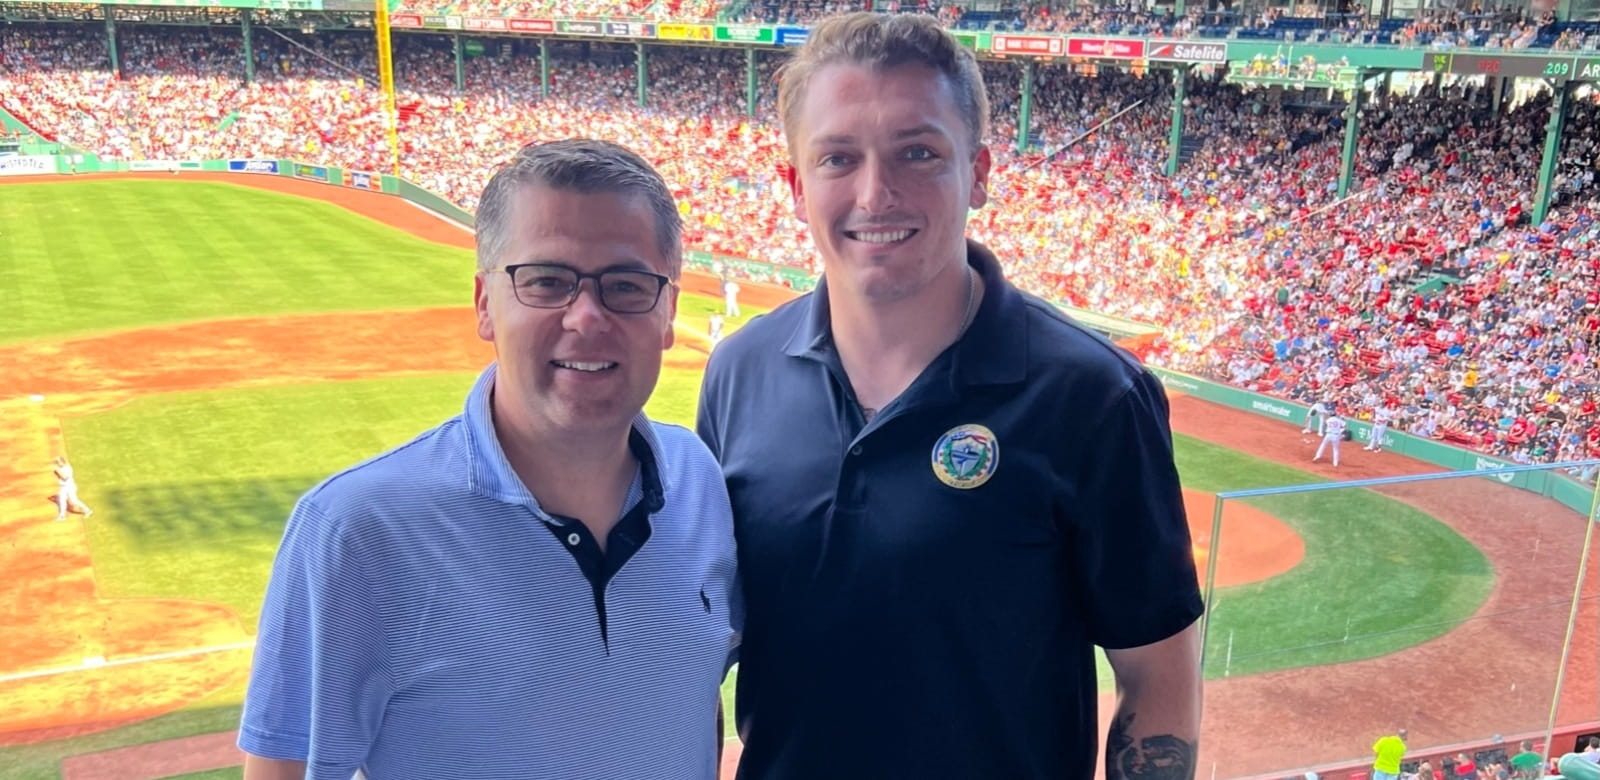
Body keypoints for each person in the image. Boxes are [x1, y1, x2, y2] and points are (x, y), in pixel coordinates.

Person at [696, 13, 1203, 780]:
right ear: (797, 187)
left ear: (980, 172)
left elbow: (1158, 676)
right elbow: (699, 654)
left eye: (918, 153)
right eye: (839, 158)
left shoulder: (1092, 395)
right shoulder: (738, 373)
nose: (876, 193)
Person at [239, 139, 739, 780]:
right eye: (546, 282)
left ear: (668, 310)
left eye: (626, 285)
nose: (586, 316)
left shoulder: (698, 480)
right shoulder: (352, 530)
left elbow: (693, 702)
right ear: (484, 303)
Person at [52, 455, 93, 521]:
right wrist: (56, 472)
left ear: (62, 462)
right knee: (62, 500)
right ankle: (62, 515)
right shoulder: (59, 468)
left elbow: (64, 478)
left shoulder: (68, 468)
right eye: (56, 462)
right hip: (63, 487)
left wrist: (57, 471)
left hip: (69, 487)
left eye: (58, 462)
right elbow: (58, 476)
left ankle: (88, 510)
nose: (57, 463)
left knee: (74, 501)